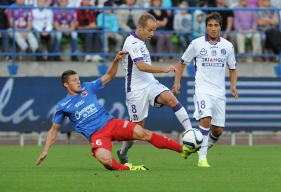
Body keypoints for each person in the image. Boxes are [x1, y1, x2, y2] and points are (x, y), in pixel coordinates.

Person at [35, 51, 194, 171]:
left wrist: (116, 60)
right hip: (97, 135)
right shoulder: (63, 105)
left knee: (144, 133)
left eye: (78, 79)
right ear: (66, 85)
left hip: (111, 124)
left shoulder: (88, 87)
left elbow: (110, 75)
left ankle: (183, 149)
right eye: (74, 81)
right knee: (106, 161)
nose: (78, 82)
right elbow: (53, 130)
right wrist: (45, 150)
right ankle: (130, 169)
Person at [117, 13, 194, 165]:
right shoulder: (131, 42)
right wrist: (164, 70)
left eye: (154, 30)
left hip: (149, 82)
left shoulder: (141, 41)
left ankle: (190, 132)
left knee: (171, 98)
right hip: (135, 89)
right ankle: (123, 152)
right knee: (137, 130)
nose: (152, 34)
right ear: (140, 27)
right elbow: (140, 66)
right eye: (150, 30)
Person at [172, 12, 238, 167]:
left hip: (219, 92)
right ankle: (202, 159)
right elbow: (182, 63)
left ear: (220, 27)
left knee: (218, 131)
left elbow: (233, 68)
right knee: (205, 119)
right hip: (202, 89)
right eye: (210, 25)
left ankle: (201, 147)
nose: (213, 29)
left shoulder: (228, 46)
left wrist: (233, 85)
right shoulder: (196, 44)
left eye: (216, 26)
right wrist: (177, 82)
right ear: (206, 27)